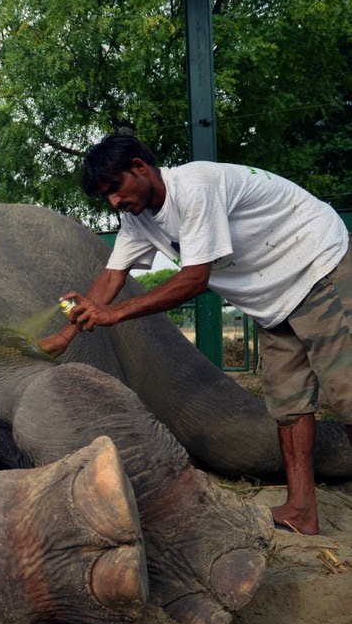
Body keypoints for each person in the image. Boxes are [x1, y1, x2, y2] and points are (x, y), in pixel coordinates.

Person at [39, 133, 352, 535]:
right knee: (288, 404)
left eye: (115, 188)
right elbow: (113, 275)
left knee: (347, 392)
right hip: (273, 298)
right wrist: (65, 337)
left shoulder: (196, 188)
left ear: (140, 167)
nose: (114, 202)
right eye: (105, 197)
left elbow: (195, 279)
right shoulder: (137, 219)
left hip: (319, 264)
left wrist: (114, 314)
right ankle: (301, 510)